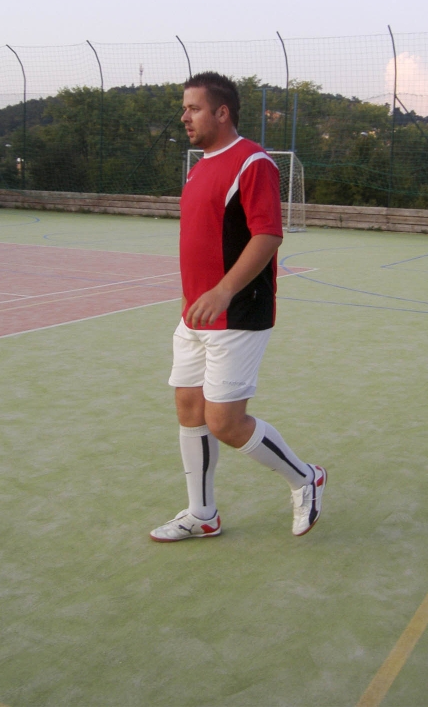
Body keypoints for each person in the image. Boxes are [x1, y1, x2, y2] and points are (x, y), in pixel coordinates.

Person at [150, 72, 326, 542]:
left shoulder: (253, 162)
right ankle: (202, 514)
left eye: (194, 108)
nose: (184, 116)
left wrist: (224, 290)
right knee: (189, 408)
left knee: (224, 422)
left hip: (238, 312)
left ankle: (306, 478)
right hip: (196, 314)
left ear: (222, 112)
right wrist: (192, 298)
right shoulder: (199, 167)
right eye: (185, 108)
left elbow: (267, 235)